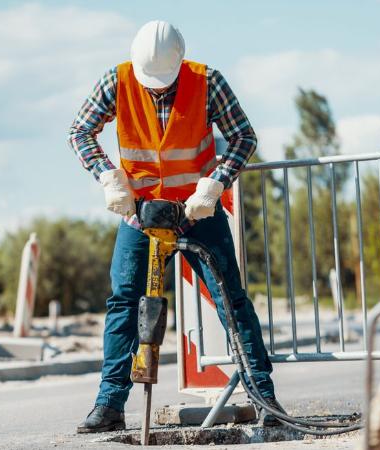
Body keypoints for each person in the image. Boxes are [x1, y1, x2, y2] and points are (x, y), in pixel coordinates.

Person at [68, 20, 284, 433]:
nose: (155, 89)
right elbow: (80, 131)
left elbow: (243, 137)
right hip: (142, 213)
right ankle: (110, 404)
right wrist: (107, 176)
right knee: (125, 302)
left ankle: (263, 396)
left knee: (231, 301)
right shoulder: (118, 80)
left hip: (197, 211)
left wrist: (215, 184)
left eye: (163, 83)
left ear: (179, 64)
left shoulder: (207, 82)